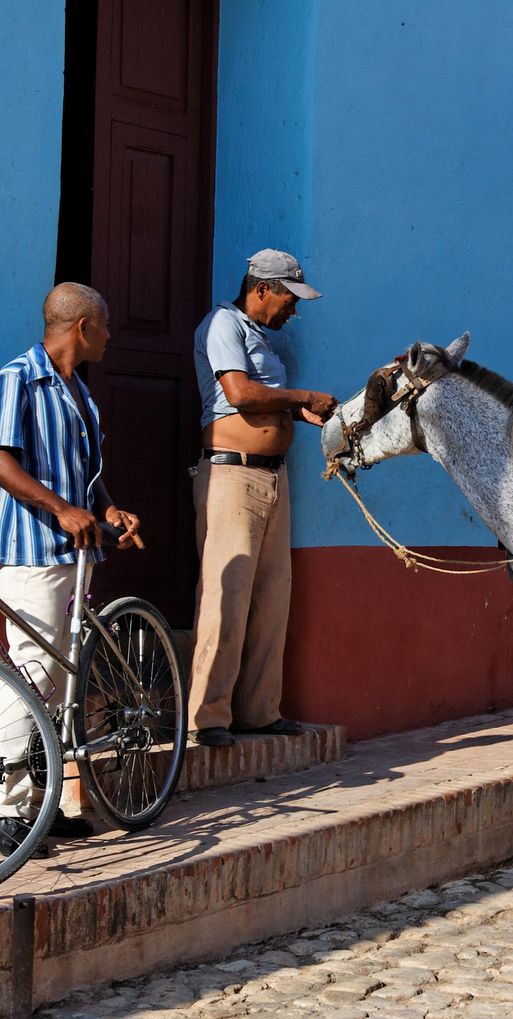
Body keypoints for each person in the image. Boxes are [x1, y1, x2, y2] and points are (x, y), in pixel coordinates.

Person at [0, 282, 141, 857]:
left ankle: (41, 807)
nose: (111, 335)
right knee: (29, 675)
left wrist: (106, 509)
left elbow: (86, 478)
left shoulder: (80, 395)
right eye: (105, 325)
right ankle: (0, 810)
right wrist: (62, 510)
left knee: (59, 679)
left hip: (77, 552)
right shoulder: (15, 379)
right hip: (32, 550)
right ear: (82, 328)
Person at [188, 249, 337, 747]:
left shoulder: (260, 340)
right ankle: (208, 718)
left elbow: (263, 400)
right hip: (232, 477)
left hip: (272, 477)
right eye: (289, 300)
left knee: (272, 597)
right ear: (261, 289)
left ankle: (257, 710)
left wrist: (301, 415)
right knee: (225, 597)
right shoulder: (221, 325)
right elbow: (240, 394)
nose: (292, 311)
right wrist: (300, 399)